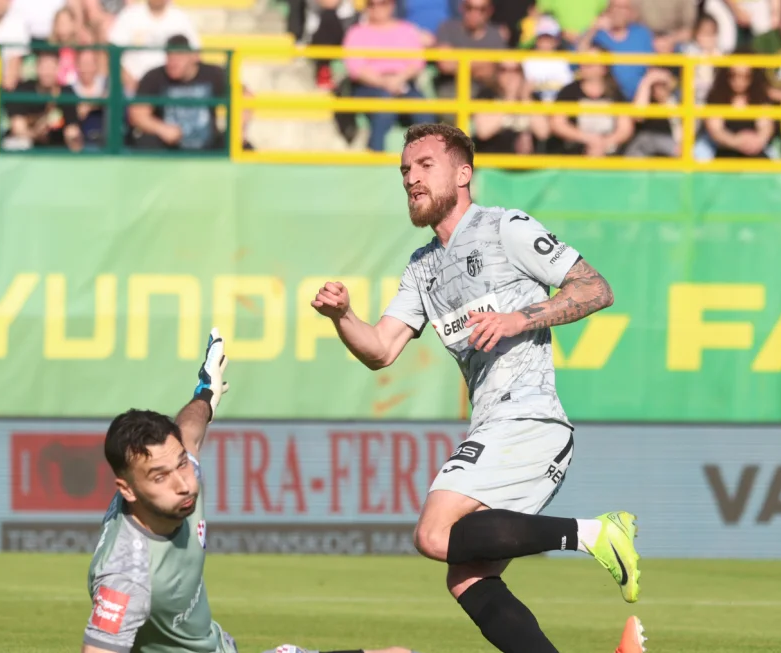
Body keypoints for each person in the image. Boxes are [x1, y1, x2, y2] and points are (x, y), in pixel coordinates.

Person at [309, 123, 647, 653]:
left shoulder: (505, 227)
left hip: (529, 419)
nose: (411, 179)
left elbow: (595, 287)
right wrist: (343, 315)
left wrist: (521, 318)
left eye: (424, 166)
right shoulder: (422, 268)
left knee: (433, 534)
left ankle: (594, 533)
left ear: (463, 174)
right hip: (498, 424)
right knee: (465, 575)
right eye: (404, 170)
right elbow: (380, 349)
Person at [82, 329, 424, 653]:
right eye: (159, 477)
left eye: (182, 465)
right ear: (126, 490)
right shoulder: (126, 576)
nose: (183, 483)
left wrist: (205, 394)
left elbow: (190, 429)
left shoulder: (177, 467)